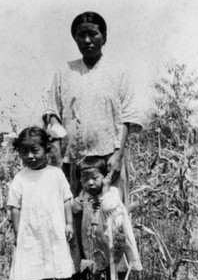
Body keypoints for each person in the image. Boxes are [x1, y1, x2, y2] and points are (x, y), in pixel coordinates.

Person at [43, 11, 142, 203]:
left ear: (104, 37)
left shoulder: (118, 72)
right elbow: (52, 111)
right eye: (81, 35)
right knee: (74, 214)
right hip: (73, 160)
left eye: (93, 34)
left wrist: (118, 155)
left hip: (108, 159)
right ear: (75, 39)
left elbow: (128, 118)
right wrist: (58, 142)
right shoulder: (64, 72)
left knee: (110, 214)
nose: (87, 40)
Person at [7, 126, 75, 280]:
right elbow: (14, 207)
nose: (29, 156)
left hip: (54, 231)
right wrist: (17, 232)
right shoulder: (20, 179)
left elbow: (66, 199)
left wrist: (69, 223)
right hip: (31, 234)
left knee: (58, 266)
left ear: (46, 149)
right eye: (24, 151)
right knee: (32, 267)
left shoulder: (56, 174)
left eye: (35, 150)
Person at [72, 156, 142, 280]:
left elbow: (108, 206)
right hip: (93, 242)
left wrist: (105, 188)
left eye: (95, 178)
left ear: (105, 178)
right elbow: (76, 208)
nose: (90, 183)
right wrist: (76, 202)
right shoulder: (84, 195)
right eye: (84, 179)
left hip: (112, 240)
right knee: (97, 268)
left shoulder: (112, 192)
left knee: (118, 266)